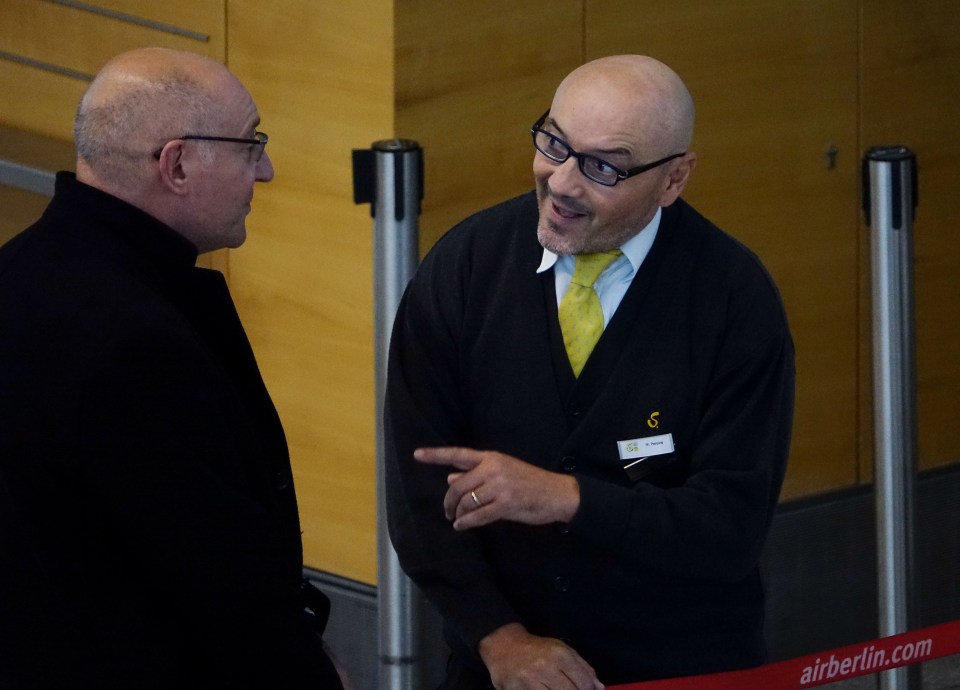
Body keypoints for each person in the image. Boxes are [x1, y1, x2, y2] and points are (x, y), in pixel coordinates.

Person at [385, 54, 795, 689]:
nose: (563, 183)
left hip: (680, 664)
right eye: (554, 143)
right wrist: (500, 639)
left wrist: (562, 498)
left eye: (603, 166)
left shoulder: (734, 300)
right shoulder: (466, 266)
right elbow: (419, 492)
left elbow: (728, 526)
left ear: (674, 179)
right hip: (497, 669)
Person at [0, 47, 344, 689]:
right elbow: (216, 576)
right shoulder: (139, 343)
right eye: (250, 145)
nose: (264, 171)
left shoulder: (16, 272)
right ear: (177, 163)